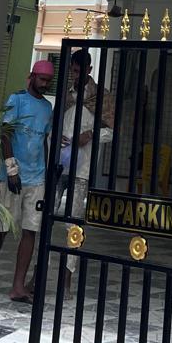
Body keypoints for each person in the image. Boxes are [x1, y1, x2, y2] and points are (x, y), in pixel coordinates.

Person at [0, 58, 54, 302]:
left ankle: (18, 286)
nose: (45, 84)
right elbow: (5, 135)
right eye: (42, 79)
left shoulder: (47, 108)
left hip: (37, 178)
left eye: (49, 81)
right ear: (33, 77)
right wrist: (11, 169)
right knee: (2, 229)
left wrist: (47, 172)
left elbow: (43, 140)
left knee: (31, 230)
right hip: (14, 176)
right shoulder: (16, 100)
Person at [58, 49, 114, 295]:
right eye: (73, 71)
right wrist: (58, 137)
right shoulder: (66, 94)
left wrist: (89, 135)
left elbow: (111, 130)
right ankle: (37, 274)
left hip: (82, 167)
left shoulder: (101, 97)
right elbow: (56, 122)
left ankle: (67, 276)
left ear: (89, 70)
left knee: (73, 223)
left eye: (80, 71)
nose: (76, 75)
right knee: (44, 218)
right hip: (59, 165)